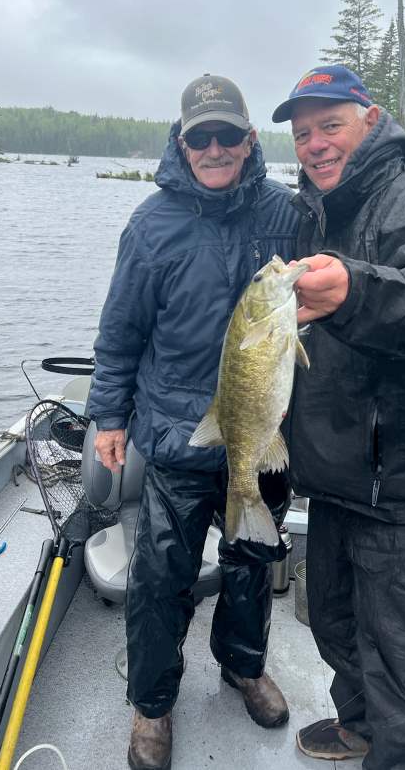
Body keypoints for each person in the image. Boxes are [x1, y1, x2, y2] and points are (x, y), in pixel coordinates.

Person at [271, 65, 405, 769]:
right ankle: (361, 724)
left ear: (371, 119)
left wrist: (356, 290)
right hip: (339, 480)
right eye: (304, 134)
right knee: (336, 626)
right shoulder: (316, 213)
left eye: (330, 125)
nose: (316, 144)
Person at [87, 74, 298, 770]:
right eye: (199, 136)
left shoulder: (287, 215)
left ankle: (243, 666)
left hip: (261, 433)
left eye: (226, 135)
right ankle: (152, 704)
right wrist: (110, 416)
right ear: (182, 143)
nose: (214, 147)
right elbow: (119, 333)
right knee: (159, 578)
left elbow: (338, 268)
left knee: (252, 562)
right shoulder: (151, 225)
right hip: (180, 436)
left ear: (247, 141)